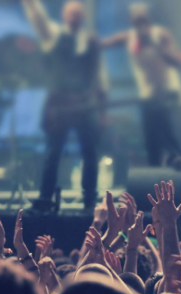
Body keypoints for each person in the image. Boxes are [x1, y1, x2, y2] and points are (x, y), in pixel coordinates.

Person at [21, 0, 108, 212]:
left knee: (90, 152)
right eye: (71, 13)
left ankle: (89, 198)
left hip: (85, 103)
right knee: (53, 151)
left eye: (78, 13)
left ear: (83, 17)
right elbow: (38, 19)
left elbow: (99, 75)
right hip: (59, 103)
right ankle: (45, 197)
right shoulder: (53, 36)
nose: (75, 17)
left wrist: (103, 108)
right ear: (64, 16)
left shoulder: (91, 42)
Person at [101, 3, 181, 170]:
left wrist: (154, 44)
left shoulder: (160, 34)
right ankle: (157, 166)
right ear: (131, 20)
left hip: (168, 91)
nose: (140, 23)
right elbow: (104, 43)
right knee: (150, 134)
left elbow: (175, 60)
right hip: (147, 95)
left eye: (143, 19)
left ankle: (176, 155)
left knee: (164, 120)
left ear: (148, 19)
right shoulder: (128, 37)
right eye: (136, 19)